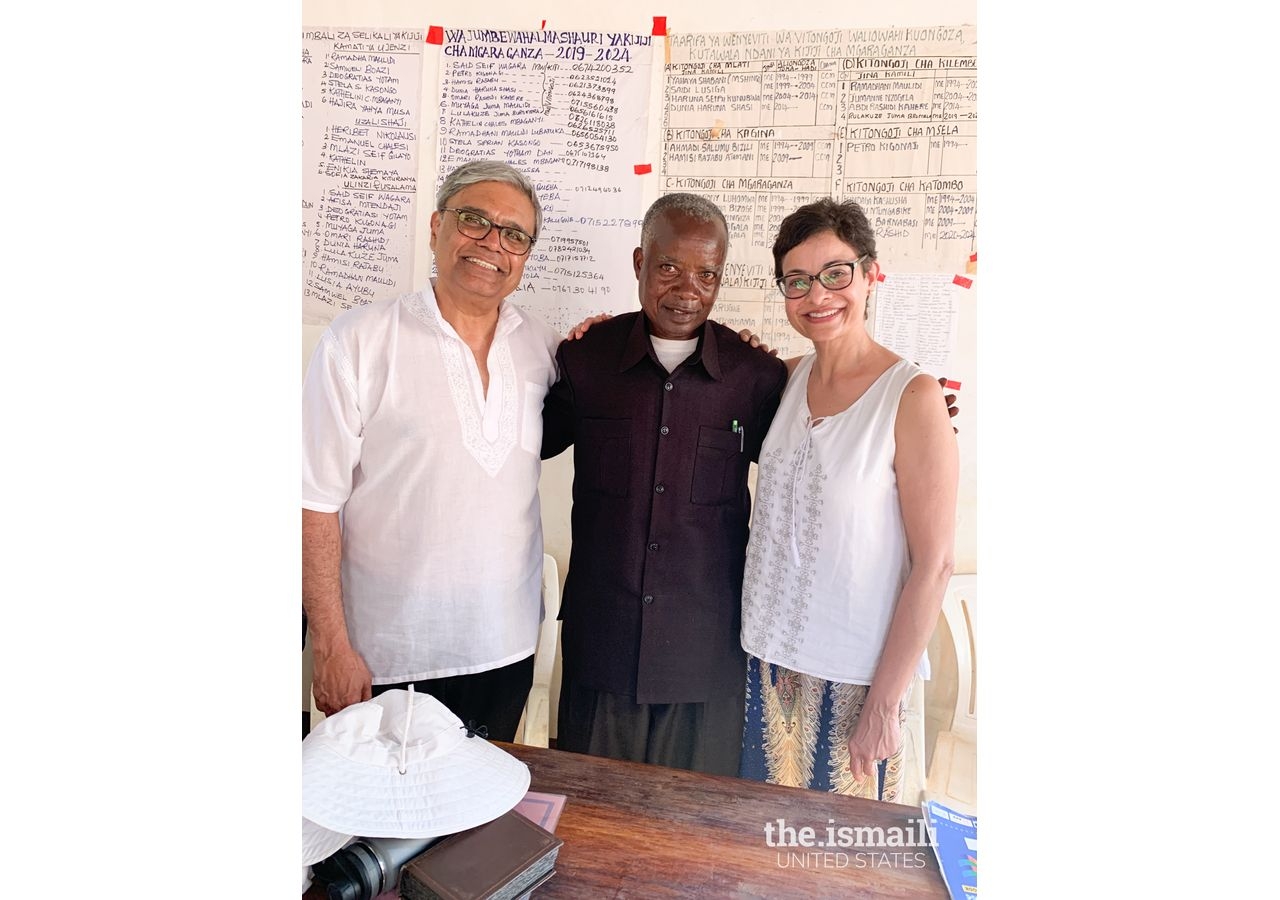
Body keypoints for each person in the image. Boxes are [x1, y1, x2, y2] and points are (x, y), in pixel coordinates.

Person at [301, 160, 561, 741]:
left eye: (514, 234)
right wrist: (332, 647)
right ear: (437, 225)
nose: (493, 243)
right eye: (474, 220)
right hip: (386, 657)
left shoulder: (542, 348)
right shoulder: (360, 341)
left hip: (505, 648)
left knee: (483, 824)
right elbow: (312, 502)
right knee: (375, 827)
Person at [540, 193, 789, 776]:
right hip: (603, 645)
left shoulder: (754, 376)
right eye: (669, 267)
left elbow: (812, 461)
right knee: (591, 819)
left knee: (692, 833)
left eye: (707, 274)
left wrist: (912, 417)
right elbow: (515, 441)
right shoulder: (585, 359)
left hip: (704, 653)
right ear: (638, 262)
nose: (687, 290)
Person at [737, 198, 958, 800]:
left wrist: (884, 704)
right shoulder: (781, 380)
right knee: (755, 856)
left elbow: (934, 565)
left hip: (856, 680)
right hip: (764, 663)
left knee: (836, 861)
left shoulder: (911, 397)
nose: (818, 296)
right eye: (798, 281)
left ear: (870, 274)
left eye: (836, 273)